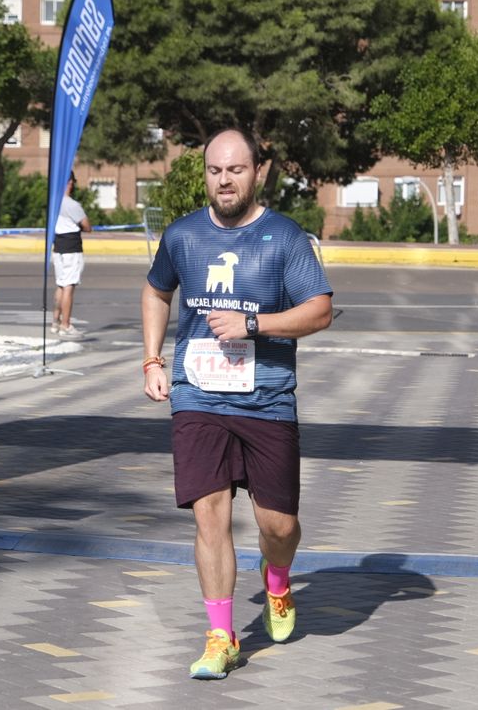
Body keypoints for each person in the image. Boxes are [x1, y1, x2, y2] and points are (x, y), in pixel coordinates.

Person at [141, 128, 334, 680]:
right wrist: (152, 361)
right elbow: (156, 290)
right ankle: (221, 637)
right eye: (214, 171)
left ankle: (277, 578)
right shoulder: (182, 235)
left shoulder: (285, 237)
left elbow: (319, 311)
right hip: (198, 395)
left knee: (278, 524)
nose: (224, 180)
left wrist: (254, 323)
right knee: (210, 518)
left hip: (267, 399)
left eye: (235, 170)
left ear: (257, 172)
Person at [51, 172, 92, 339]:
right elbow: (87, 226)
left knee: (61, 284)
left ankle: (55, 321)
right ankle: (66, 324)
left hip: (58, 246)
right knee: (69, 286)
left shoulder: (53, 203)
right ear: (68, 183)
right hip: (71, 247)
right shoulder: (72, 204)